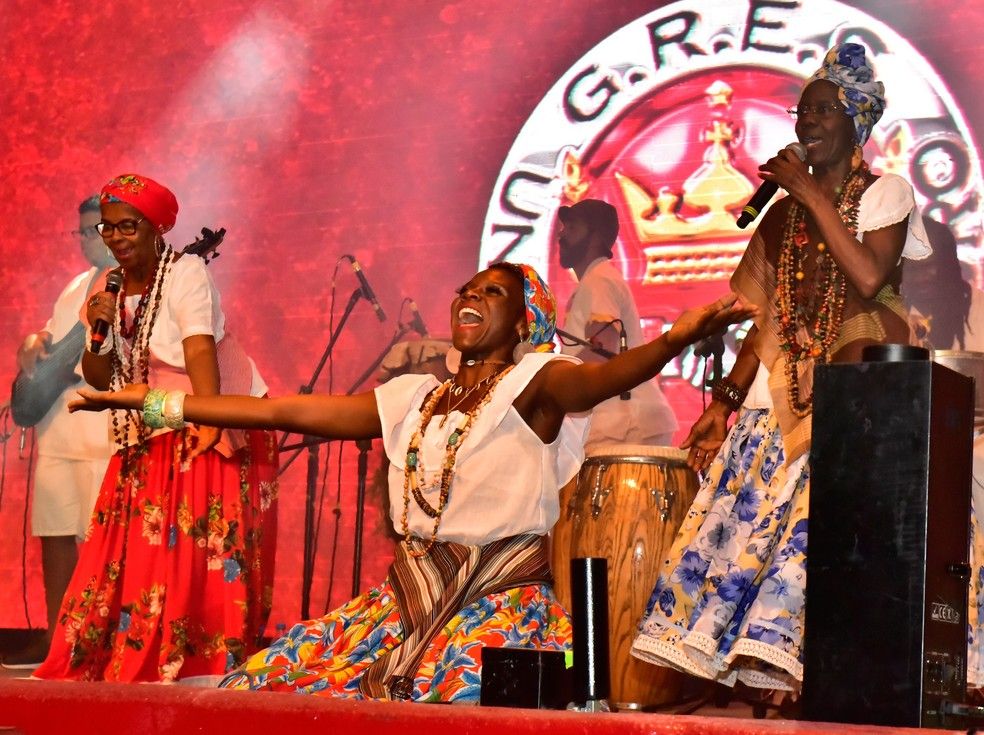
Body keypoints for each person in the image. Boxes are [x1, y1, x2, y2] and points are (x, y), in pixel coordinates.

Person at [67, 261, 754, 701]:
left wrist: (672, 340)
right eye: (467, 289)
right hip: (404, 603)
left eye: (492, 293)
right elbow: (281, 411)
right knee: (267, 683)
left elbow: (602, 379)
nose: (470, 296)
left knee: (451, 696)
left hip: (498, 608)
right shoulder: (414, 397)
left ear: (524, 322)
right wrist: (156, 403)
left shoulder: (537, 384)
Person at [630, 43, 934, 691]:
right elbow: (766, 318)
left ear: (858, 121)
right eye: (802, 112)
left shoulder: (885, 193)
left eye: (823, 110)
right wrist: (723, 402)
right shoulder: (782, 213)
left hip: (854, 407)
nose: (807, 121)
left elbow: (869, 275)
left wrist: (811, 195)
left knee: (826, 557)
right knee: (741, 559)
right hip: (779, 401)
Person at [33, 174, 278, 684]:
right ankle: (133, 655)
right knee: (131, 548)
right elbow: (97, 376)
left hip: (207, 411)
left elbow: (198, 347)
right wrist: (98, 330)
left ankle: (200, 666)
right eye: (108, 228)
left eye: (129, 226)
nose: (116, 237)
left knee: (201, 547)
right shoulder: (105, 286)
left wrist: (210, 418)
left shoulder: (185, 271)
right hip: (149, 422)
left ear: (157, 227)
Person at [2, 196, 117, 669]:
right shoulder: (75, 286)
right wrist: (33, 342)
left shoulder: (133, 284)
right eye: (82, 232)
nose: (87, 240)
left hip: (103, 429)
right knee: (55, 532)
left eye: (94, 230)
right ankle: (57, 640)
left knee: (104, 538)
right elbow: (51, 340)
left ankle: (104, 644)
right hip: (58, 428)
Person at [556, 198, 678, 451]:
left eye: (572, 227)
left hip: (622, 424)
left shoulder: (599, 280)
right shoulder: (597, 278)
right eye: (564, 227)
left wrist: (554, 383)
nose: (562, 234)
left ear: (595, 237)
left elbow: (602, 350)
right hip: (623, 421)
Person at [904, 215, 984, 352]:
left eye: (928, 266)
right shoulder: (893, 314)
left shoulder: (979, 310)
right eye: (912, 269)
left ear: (948, 264)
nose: (920, 278)